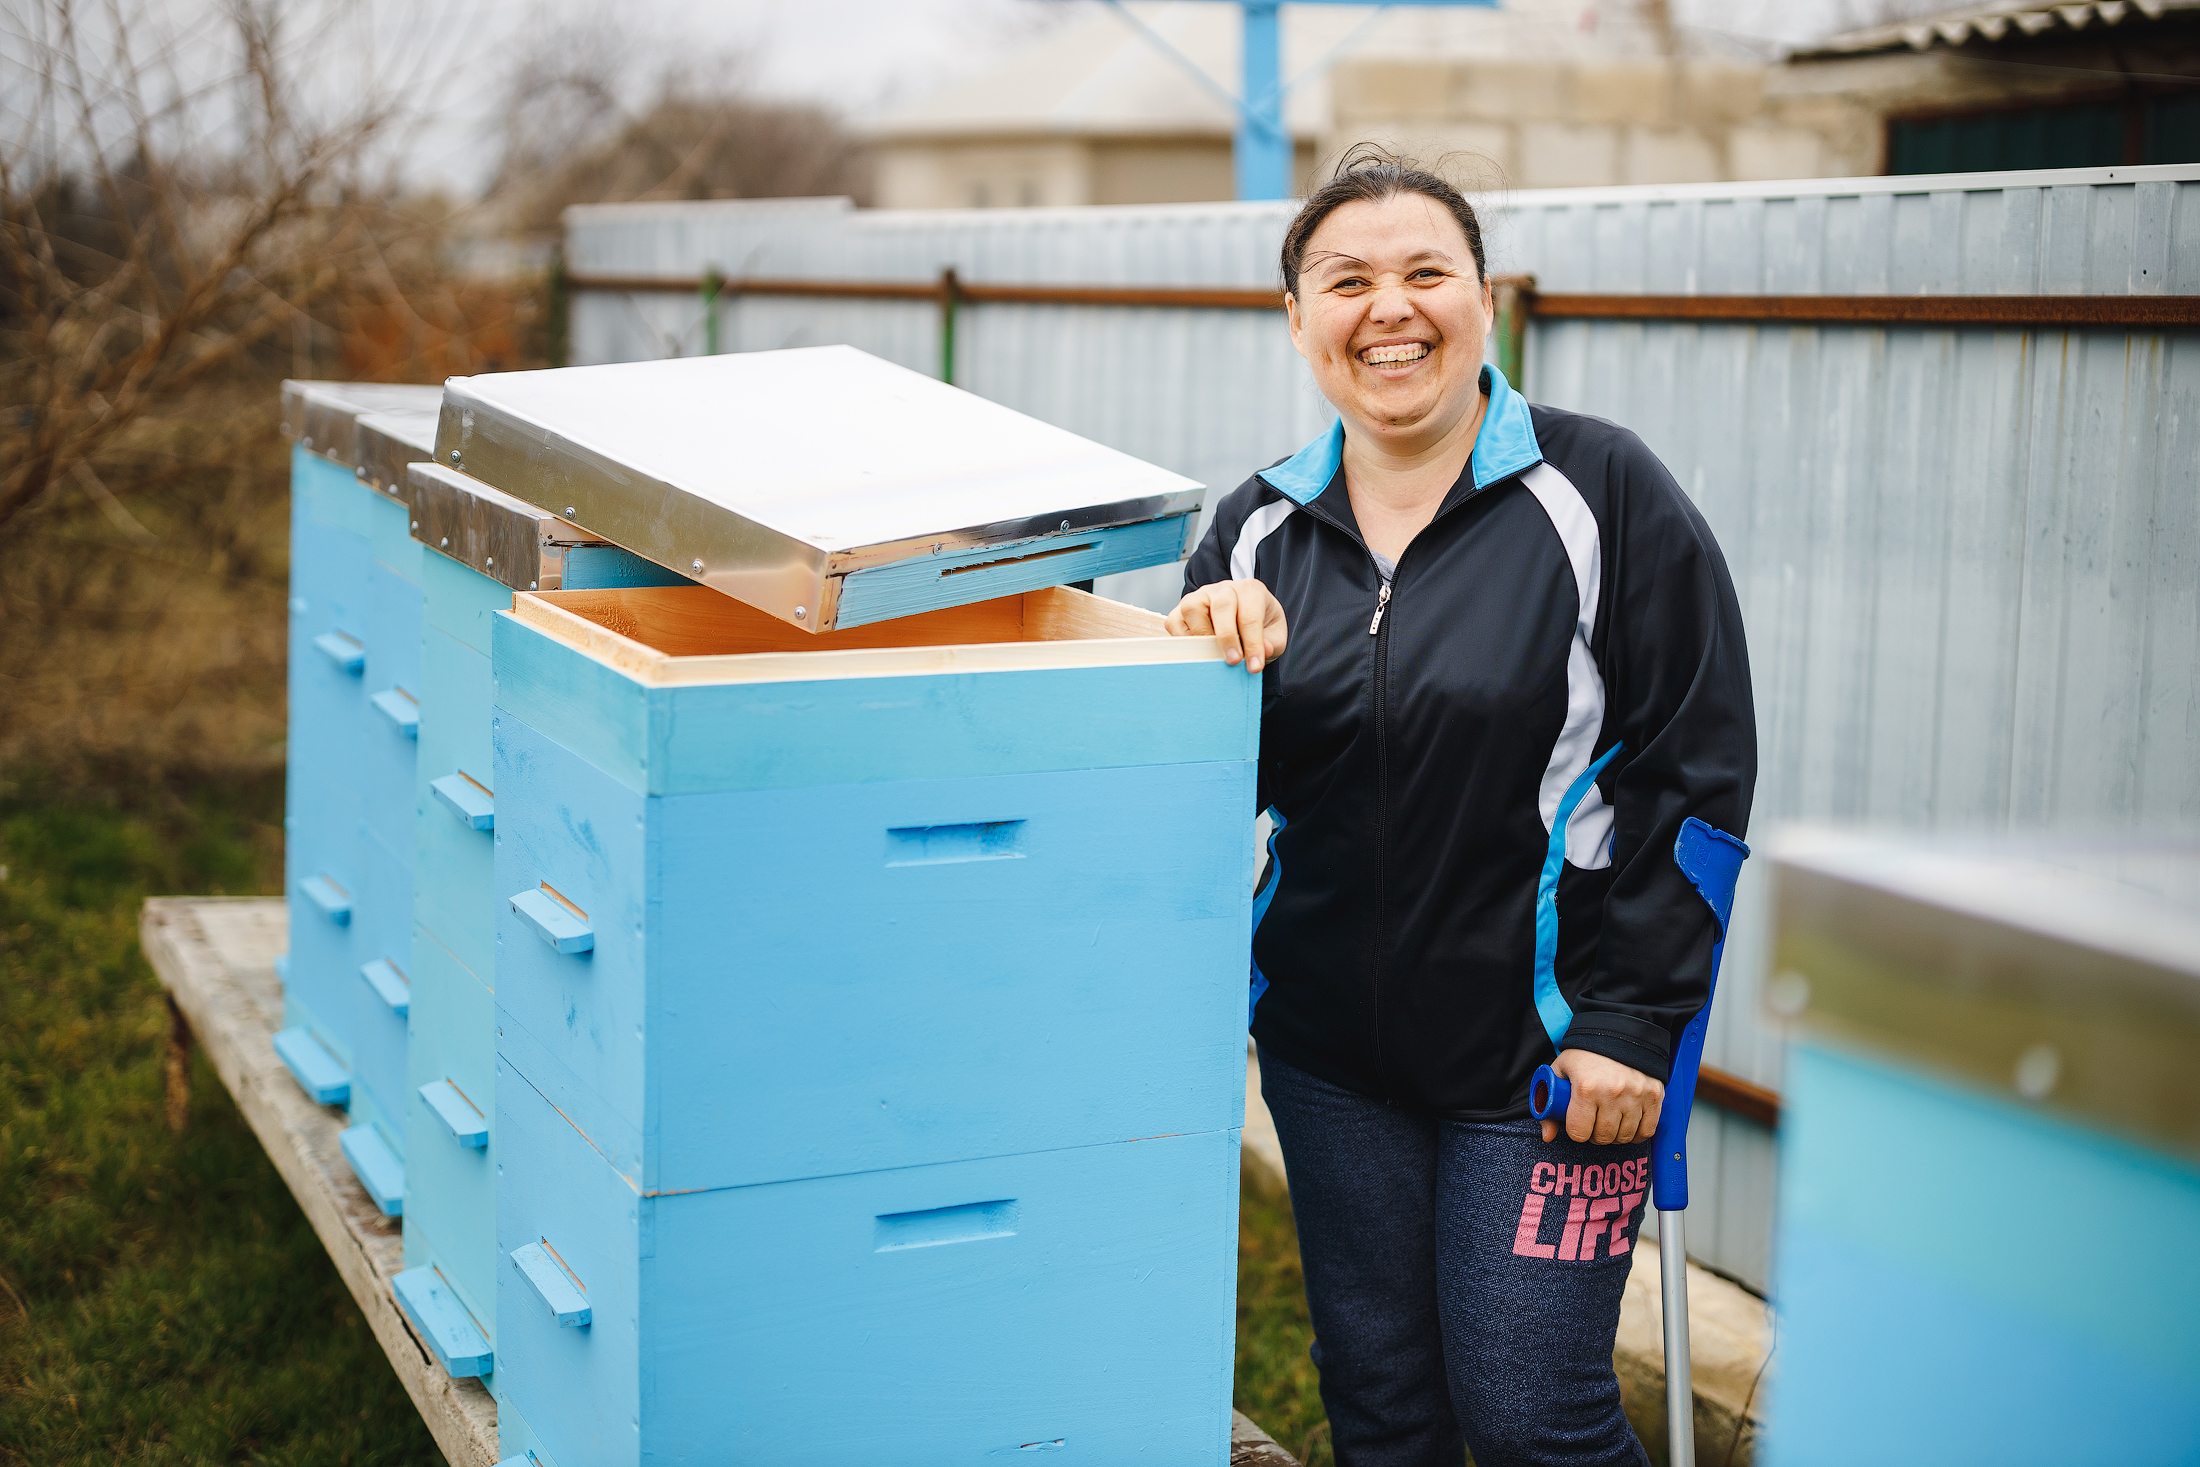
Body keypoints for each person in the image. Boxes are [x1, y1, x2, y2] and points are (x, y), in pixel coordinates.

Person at [1165, 150, 1757, 1467]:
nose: (1391, 309)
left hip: (1547, 1067)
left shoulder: (1603, 493)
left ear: (1485, 296)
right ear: (1297, 317)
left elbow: (1697, 781)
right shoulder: (1254, 530)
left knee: (1529, 1413)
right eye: (1348, 280)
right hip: (1328, 1062)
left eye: (1426, 272)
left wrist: (1631, 1028)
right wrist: (1194, 652)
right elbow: (1205, 792)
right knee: (1383, 1407)